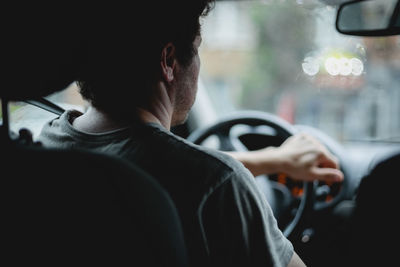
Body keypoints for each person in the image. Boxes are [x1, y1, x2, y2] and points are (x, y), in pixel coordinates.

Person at [38, 1, 343, 266]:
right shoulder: (219, 186)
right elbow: (191, 172)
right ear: (169, 61)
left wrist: (272, 160)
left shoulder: (45, 145)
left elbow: (150, 163)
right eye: (197, 49)